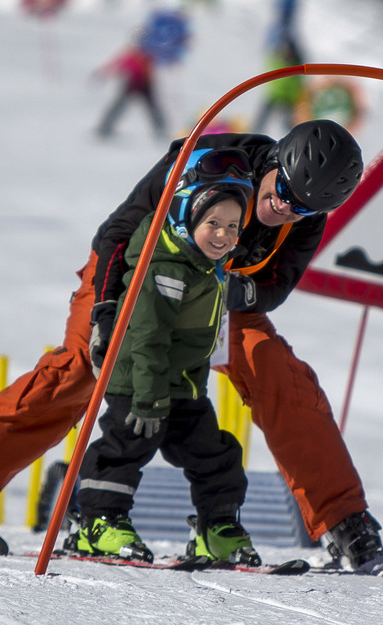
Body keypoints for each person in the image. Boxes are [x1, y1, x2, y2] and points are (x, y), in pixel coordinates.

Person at [0, 119, 383, 574]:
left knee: (278, 372)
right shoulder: (206, 159)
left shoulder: (308, 215)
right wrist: (108, 310)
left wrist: (235, 290)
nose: (286, 207)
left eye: (302, 206)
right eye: (283, 190)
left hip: (214, 299)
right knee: (77, 375)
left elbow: (276, 286)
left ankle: (346, 523)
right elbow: (118, 232)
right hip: (133, 276)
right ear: (276, 160)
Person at [69, 149, 258, 566]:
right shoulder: (166, 269)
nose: (223, 235)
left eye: (232, 225)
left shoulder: (205, 266)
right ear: (185, 217)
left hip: (182, 387)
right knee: (126, 447)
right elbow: (149, 338)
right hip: (138, 383)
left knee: (216, 454)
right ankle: (97, 523)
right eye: (212, 223)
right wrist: (148, 397)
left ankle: (218, 526)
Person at [93, 41, 168, 141]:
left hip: (144, 85)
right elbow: (115, 65)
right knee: (118, 107)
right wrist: (102, 74)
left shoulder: (146, 57)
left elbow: (150, 72)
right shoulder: (132, 57)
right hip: (132, 84)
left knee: (153, 109)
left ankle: (160, 130)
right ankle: (105, 128)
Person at [252, 36, 305, 135]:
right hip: (275, 95)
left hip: (289, 99)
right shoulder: (277, 61)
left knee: (288, 121)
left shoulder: (297, 64)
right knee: (263, 115)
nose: (288, 54)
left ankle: (290, 134)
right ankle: (255, 131)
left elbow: (297, 83)